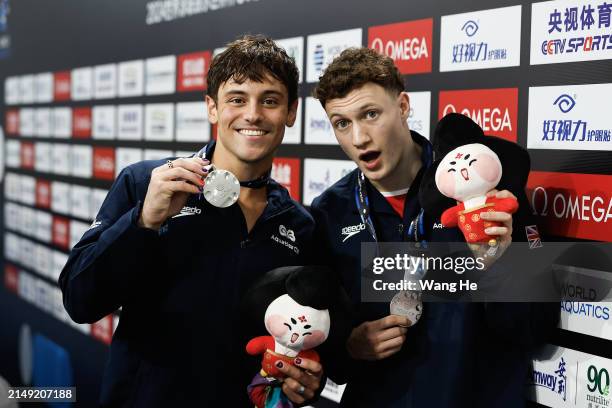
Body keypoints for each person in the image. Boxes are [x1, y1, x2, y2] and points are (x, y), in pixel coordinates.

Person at [59, 35, 324, 407]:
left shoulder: (300, 224)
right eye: (236, 99)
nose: (252, 114)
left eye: (270, 100)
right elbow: (79, 300)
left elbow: (303, 338)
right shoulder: (145, 183)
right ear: (212, 108)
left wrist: (304, 380)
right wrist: (143, 221)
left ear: (291, 112)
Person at [310, 47, 559, 407]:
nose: (359, 138)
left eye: (371, 114)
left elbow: (536, 330)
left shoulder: (483, 184)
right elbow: (328, 356)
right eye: (342, 123)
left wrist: (501, 265)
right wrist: (350, 346)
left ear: (404, 106)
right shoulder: (331, 212)